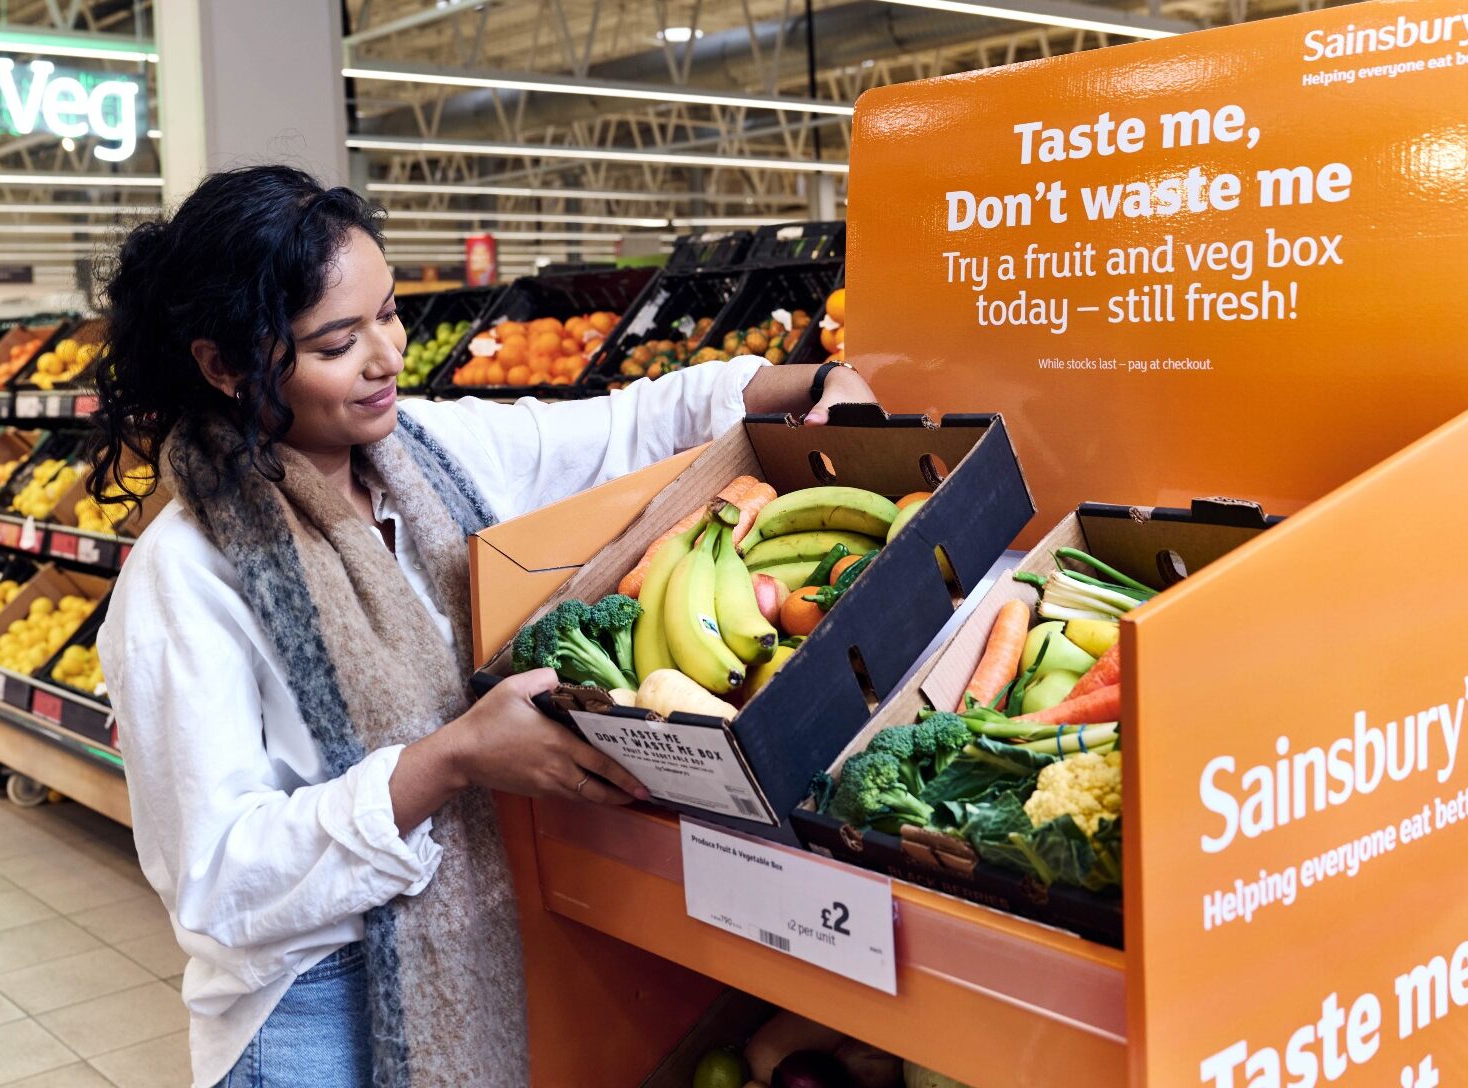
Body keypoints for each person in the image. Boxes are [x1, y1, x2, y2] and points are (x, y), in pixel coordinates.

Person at [89, 165, 877, 1088]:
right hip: (306, 1011)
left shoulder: (427, 452)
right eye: (339, 342)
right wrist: (451, 760)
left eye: (388, 314)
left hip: (473, 938)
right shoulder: (184, 576)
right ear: (224, 365)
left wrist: (821, 379)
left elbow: (628, 425)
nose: (386, 356)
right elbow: (217, 880)